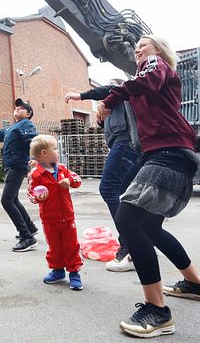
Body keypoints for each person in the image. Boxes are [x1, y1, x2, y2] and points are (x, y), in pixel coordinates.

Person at [97, 35, 200, 338]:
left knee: (127, 218)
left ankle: (158, 311)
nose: (138, 50)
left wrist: (109, 102)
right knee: (149, 227)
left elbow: (139, 83)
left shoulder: (155, 65)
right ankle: (196, 285)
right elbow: (127, 90)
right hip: (164, 153)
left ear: (159, 50)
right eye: (135, 48)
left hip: (168, 152)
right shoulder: (144, 78)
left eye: (143, 45)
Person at [65, 80, 141, 272]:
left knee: (108, 189)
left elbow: (111, 89)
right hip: (123, 144)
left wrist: (80, 96)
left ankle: (130, 245)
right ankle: (137, 242)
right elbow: (108, 123)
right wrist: (100, 121)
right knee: (123, 194)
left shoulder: (120, 90)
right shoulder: (114, 107)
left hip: (124, 144)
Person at [27, 135, 83, 290]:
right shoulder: (35, 174)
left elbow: (77, 179)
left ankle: (74, 272)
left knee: (71, 245)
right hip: (49, 218)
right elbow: (31, 194)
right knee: (54, 246)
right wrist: (38, 198)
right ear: (44, 153)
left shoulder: (62, 170)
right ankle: (57, 270)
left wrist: (69, 181)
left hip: (67, 216)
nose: (58, 152)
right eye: (55, 149)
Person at [0, 98, 39, 252]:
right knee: (13, 199)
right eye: (16, 108)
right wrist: (5, 129)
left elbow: (32, 140)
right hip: (11, 165)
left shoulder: (26, 124)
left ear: (28, 114)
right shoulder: (14, 127)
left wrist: (34, 159)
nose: (17, 109)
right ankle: (30, 228)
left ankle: (27, 237)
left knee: (6, 200)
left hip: (17, 165)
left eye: (22, 108)